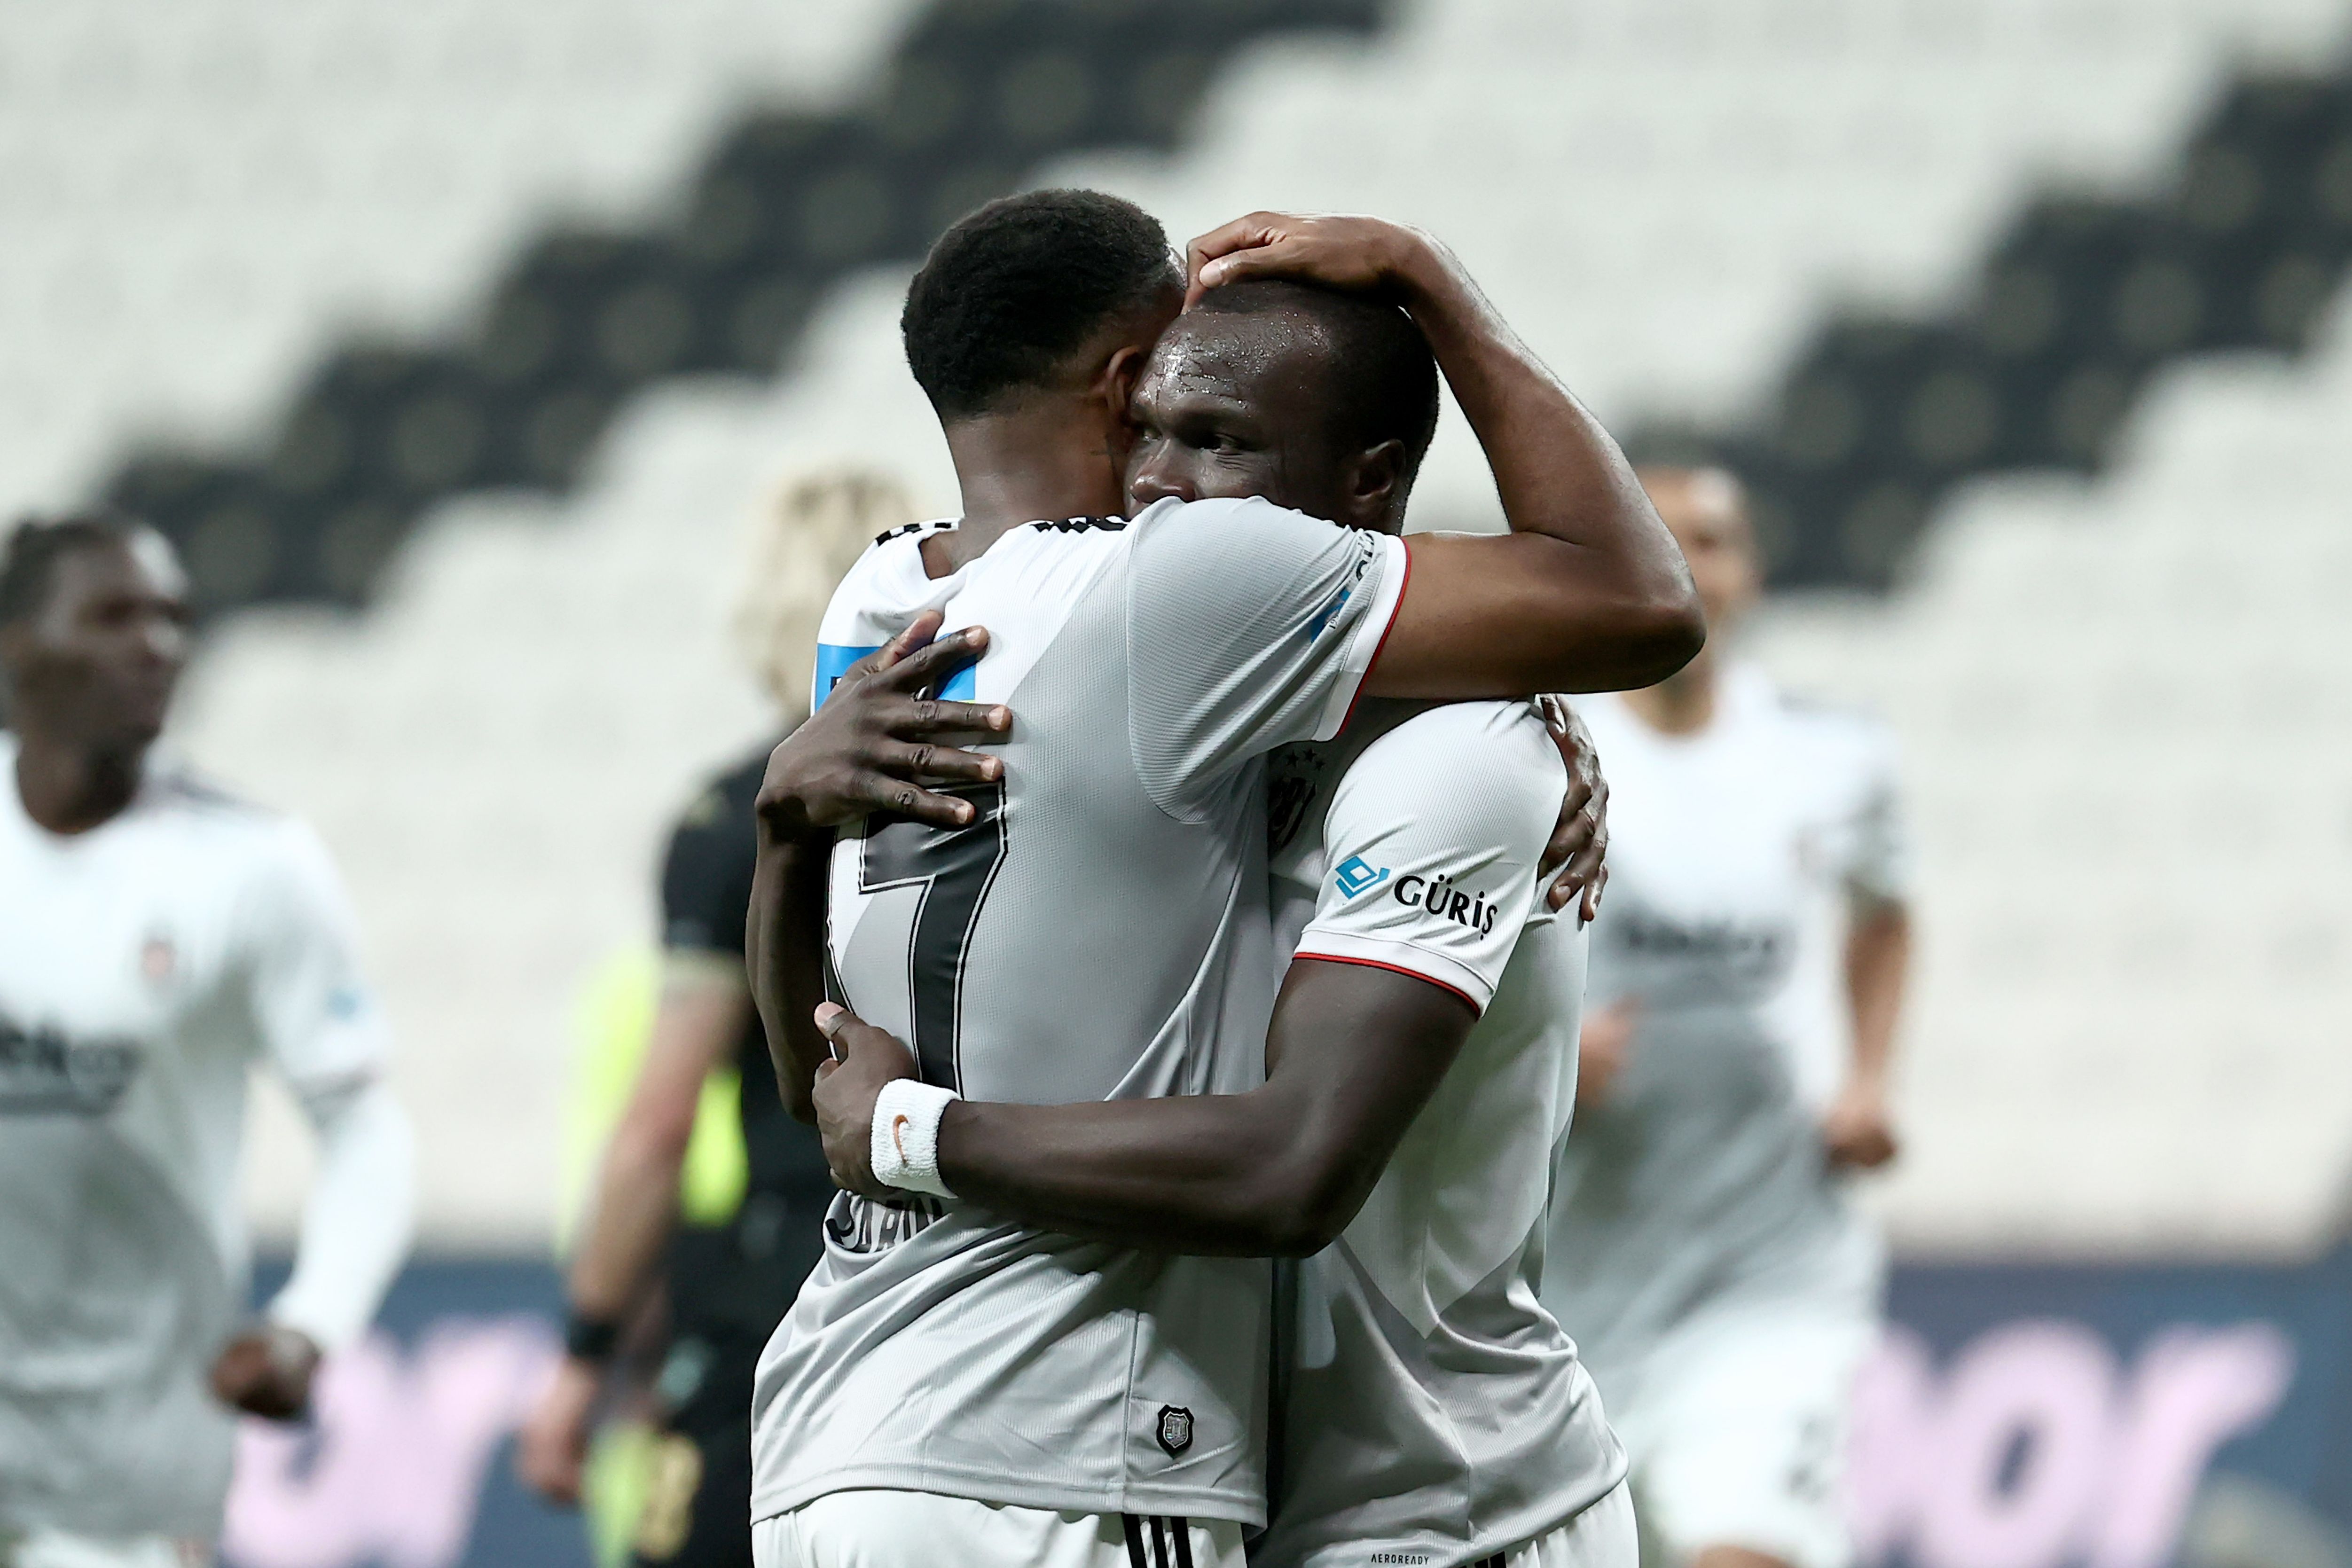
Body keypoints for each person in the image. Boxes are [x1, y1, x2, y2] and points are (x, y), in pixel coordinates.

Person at [744, 193, 1699, 1568]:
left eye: (1217, 444)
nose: (1162, 487)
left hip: (1448, 1507)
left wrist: (1524, 705)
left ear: (1366, 488)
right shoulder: (1174, 631)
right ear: (1124, 382)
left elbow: (1289, 1159)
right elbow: (1628, 600)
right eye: (1155, 435)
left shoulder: (887, 602)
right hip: (1087, 1447)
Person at [517, 471, 919, 1568]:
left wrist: (585, 1354)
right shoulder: (987, 782)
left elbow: (657, 1129)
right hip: (960, 1272)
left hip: (787, 1286)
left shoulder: (739, 818)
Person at [0, 513, 416, 1568]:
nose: (157, 645)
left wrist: (308, 1326)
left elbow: (366, 1133)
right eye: (112, 616)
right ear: (16, 645)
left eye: (172, 618)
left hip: (120, 1471)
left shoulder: (250, 867)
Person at [1541, 467, 1911, 1568]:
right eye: (1664, 538)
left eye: (1715, 541)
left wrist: (1868, 1080)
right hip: (1569, 1272)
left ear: (1750, 573)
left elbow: (1887, 916)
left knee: (1744, 1549)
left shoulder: (1831, 755)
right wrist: (1544, 1048)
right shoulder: (1542, 753)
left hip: (1772, 1263)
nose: (1692, 564)